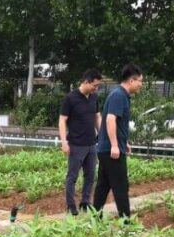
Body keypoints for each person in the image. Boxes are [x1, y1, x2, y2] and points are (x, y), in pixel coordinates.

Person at [93, 63, 144, 220]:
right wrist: (115, 145)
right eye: (140, 81)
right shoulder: (119, 95)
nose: (141, 85)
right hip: (111, 150)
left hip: (107, 148)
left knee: (103, 185)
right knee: (121, 186)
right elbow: (110, 119)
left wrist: (123, 141)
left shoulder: (122, 95)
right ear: (131, 80)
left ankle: (95, 219)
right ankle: (126, 223)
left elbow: (117, 123)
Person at [58, 69, 103, 215]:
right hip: (76, 145)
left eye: (97, 86)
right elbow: (62, 120)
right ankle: (71, 207)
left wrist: (102, 134)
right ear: (86, 82)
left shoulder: (94, 97)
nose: (96, 89)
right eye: (94, 85)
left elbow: (97, 117)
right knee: (72, 177)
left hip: (91, 145)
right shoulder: (70, 98)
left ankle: (85, 202)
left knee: (90, 176)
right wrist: (64, 141)